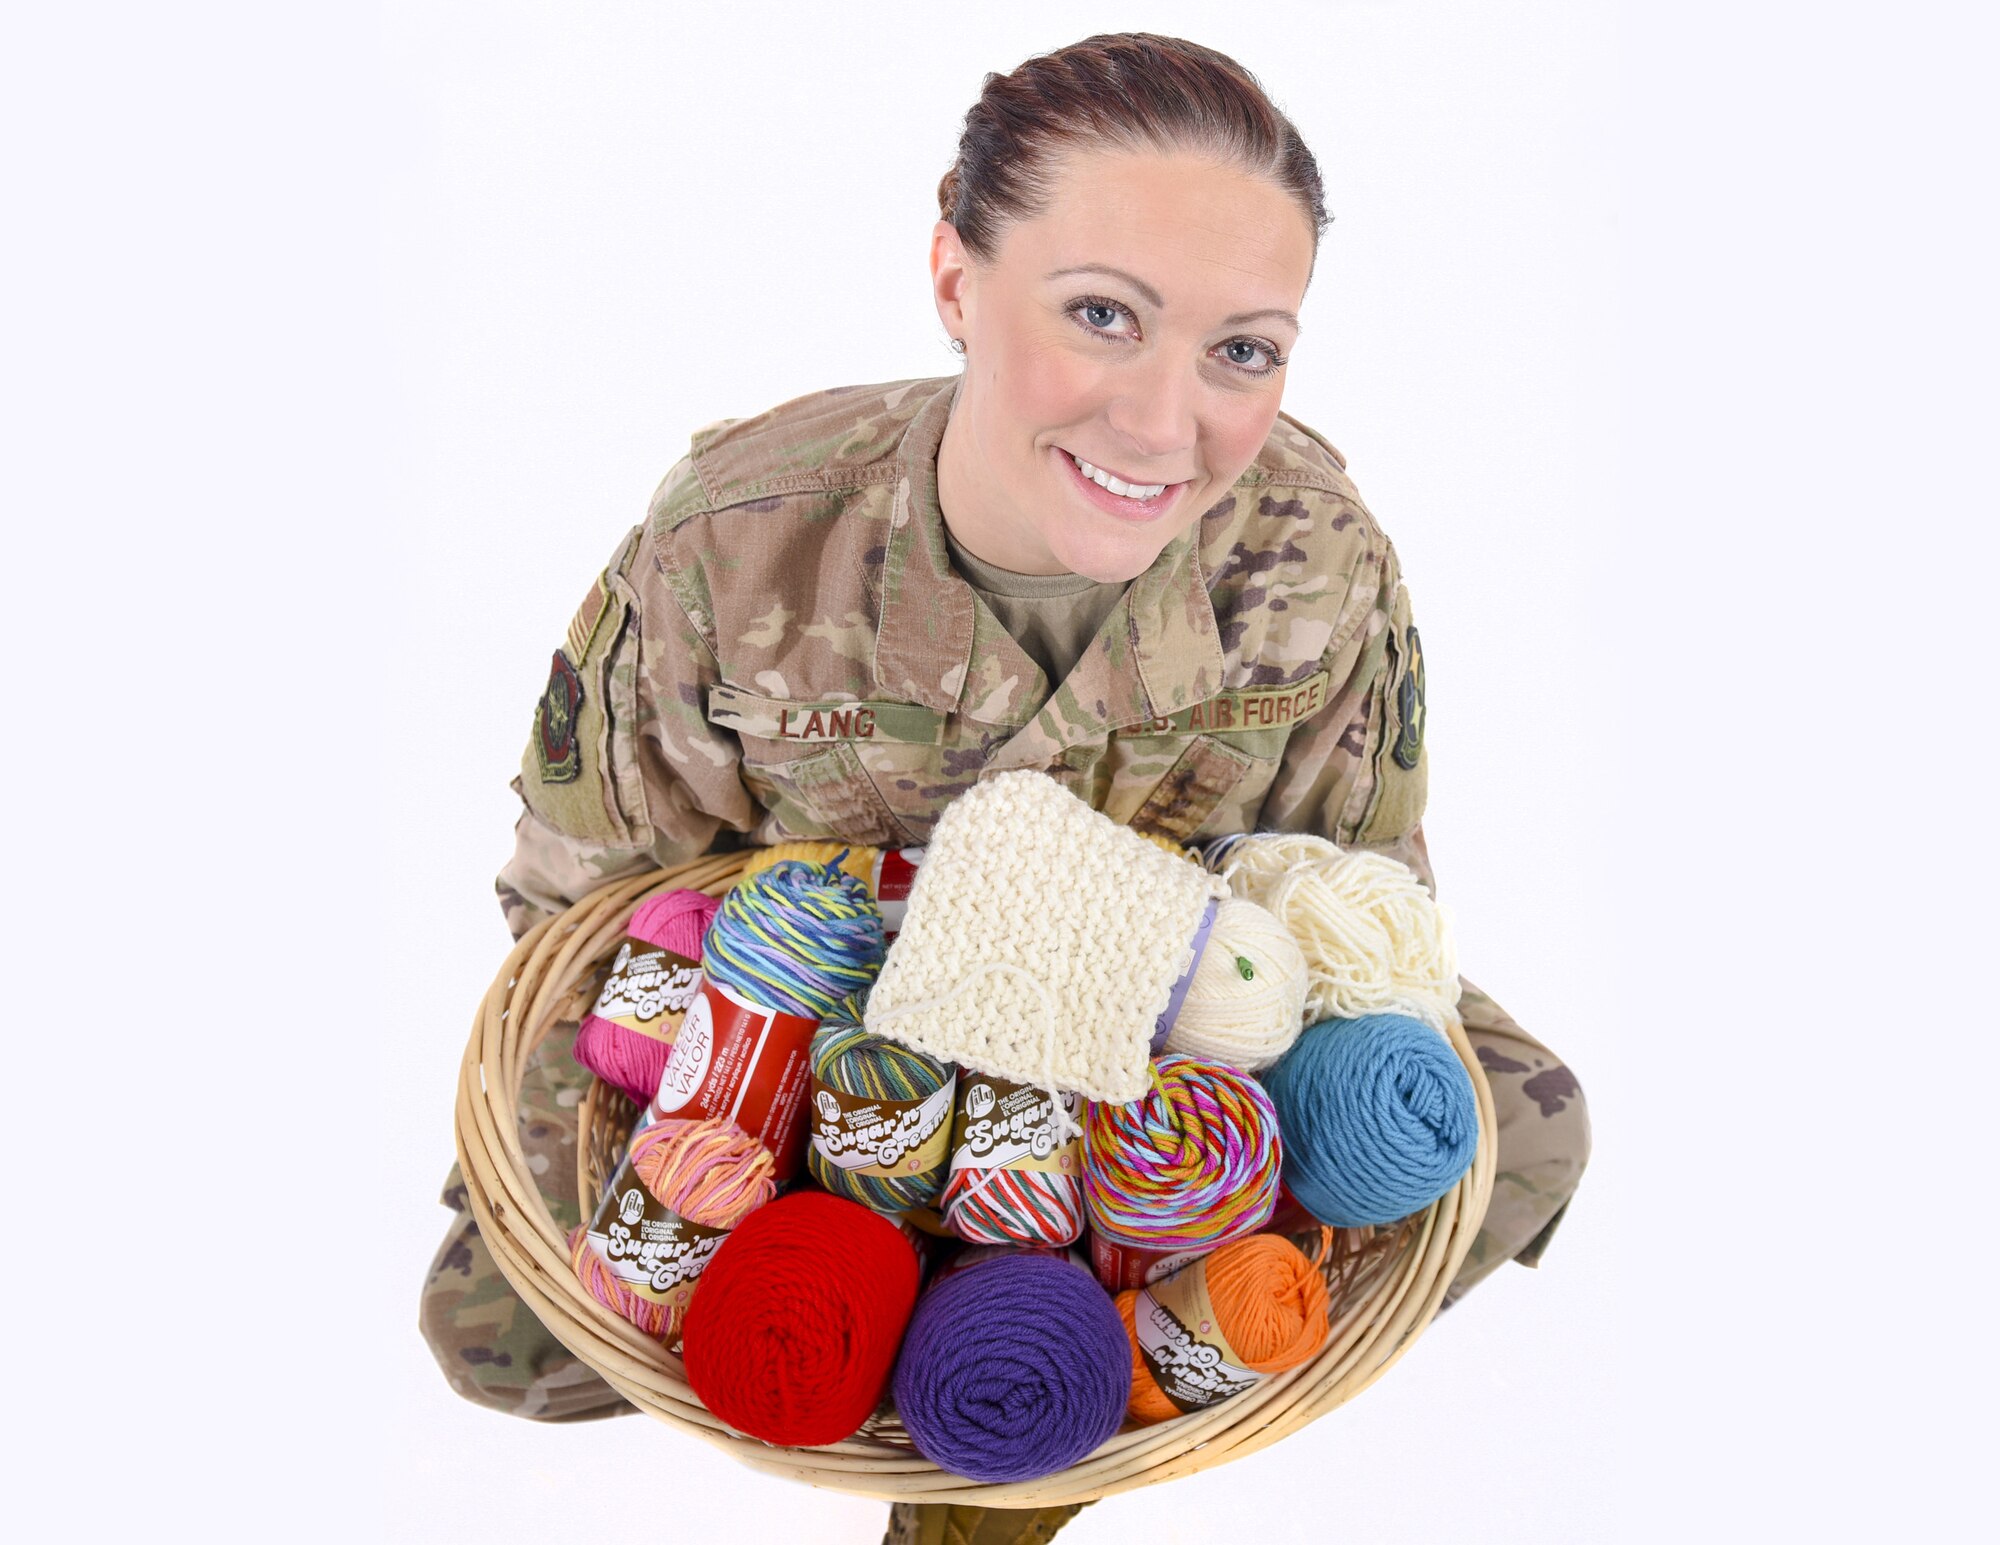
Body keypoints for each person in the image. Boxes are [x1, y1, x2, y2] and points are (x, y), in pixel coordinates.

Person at [419, 32, 1590, 1545]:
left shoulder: (1318, 560)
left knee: (1526, 1132)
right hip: (802, 1040)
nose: (1167, 427)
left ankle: (1011, 1453)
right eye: (1104, 315)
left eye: (1244, 348)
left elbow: (1367, 915)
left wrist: (1182, 1205)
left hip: (1166, 1067)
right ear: (957, 279)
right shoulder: (745, 534)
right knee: (502, 1346)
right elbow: (579, 906)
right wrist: (725, 1181)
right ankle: (888, 1366)